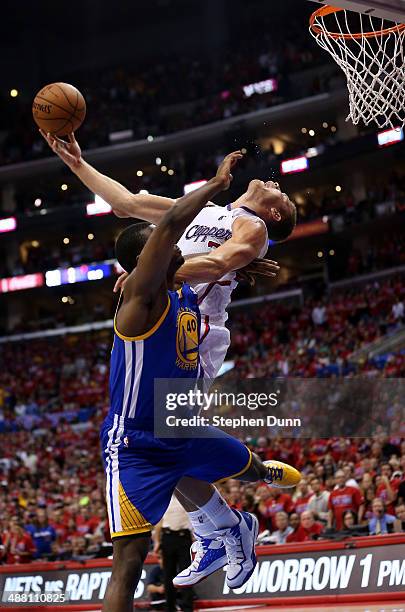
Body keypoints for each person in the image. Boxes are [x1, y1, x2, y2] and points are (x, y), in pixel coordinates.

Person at [100, 153, 300, 612]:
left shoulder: (254, 227)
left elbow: (218, 261)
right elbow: (127, 201)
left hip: (194, 332)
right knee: (162, 439)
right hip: (167, 317)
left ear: (272, 214)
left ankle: (221, 522)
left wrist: (153, 276)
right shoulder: (211, 214)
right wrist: (72, 157)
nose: (277, 184)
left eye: (283, 197)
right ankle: (221, 522)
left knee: (163, 435)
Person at [153, 496, 194, 612]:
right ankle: (170, 607)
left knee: (187, 574)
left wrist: (196, 539)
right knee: (168, 575)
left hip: (184, 537)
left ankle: (187, 608)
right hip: (168, 537)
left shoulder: (188, 496)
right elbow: (159, 521)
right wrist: (156, 541)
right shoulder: (164, 497)